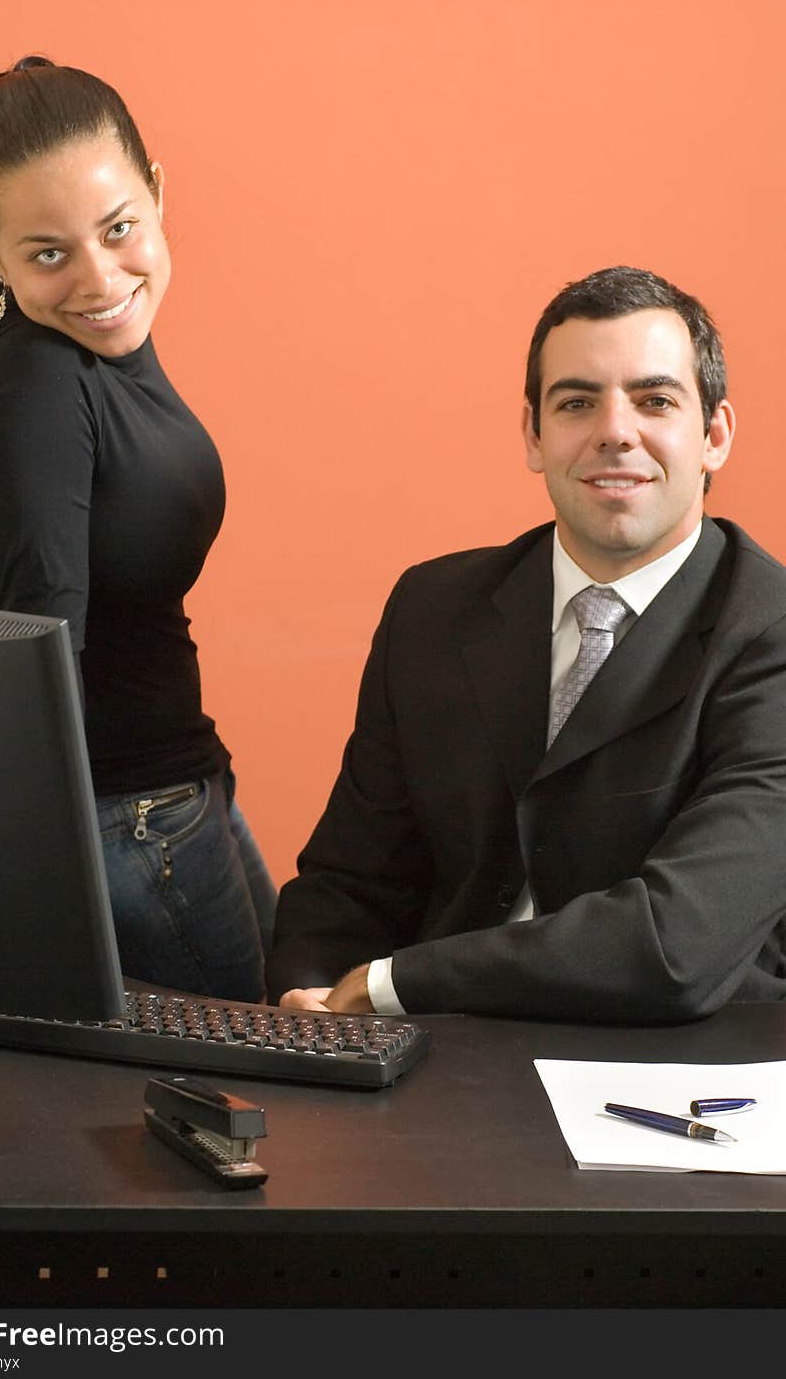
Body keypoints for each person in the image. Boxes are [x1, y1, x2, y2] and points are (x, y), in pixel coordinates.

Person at [266, 264, 786, 1021]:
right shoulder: (432, 608)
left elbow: (676, 944)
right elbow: (350, 879)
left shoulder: (770, 632)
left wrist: (391, 985)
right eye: (576, 402)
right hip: (439, 1060)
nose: (614, 430)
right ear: (534, 435)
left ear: (713, 435)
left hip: (678, 1076)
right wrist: (302, 991)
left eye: (654, 400)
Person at [0, 56, 276, 1001]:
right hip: (129, 819)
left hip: (171, 788)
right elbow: (39, 653)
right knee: (255, 1095)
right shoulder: (43, 383)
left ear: (157, 191)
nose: (99, 280)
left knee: (288, 1041)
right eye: (47, 253)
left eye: (119, 229)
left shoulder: (81, 342)